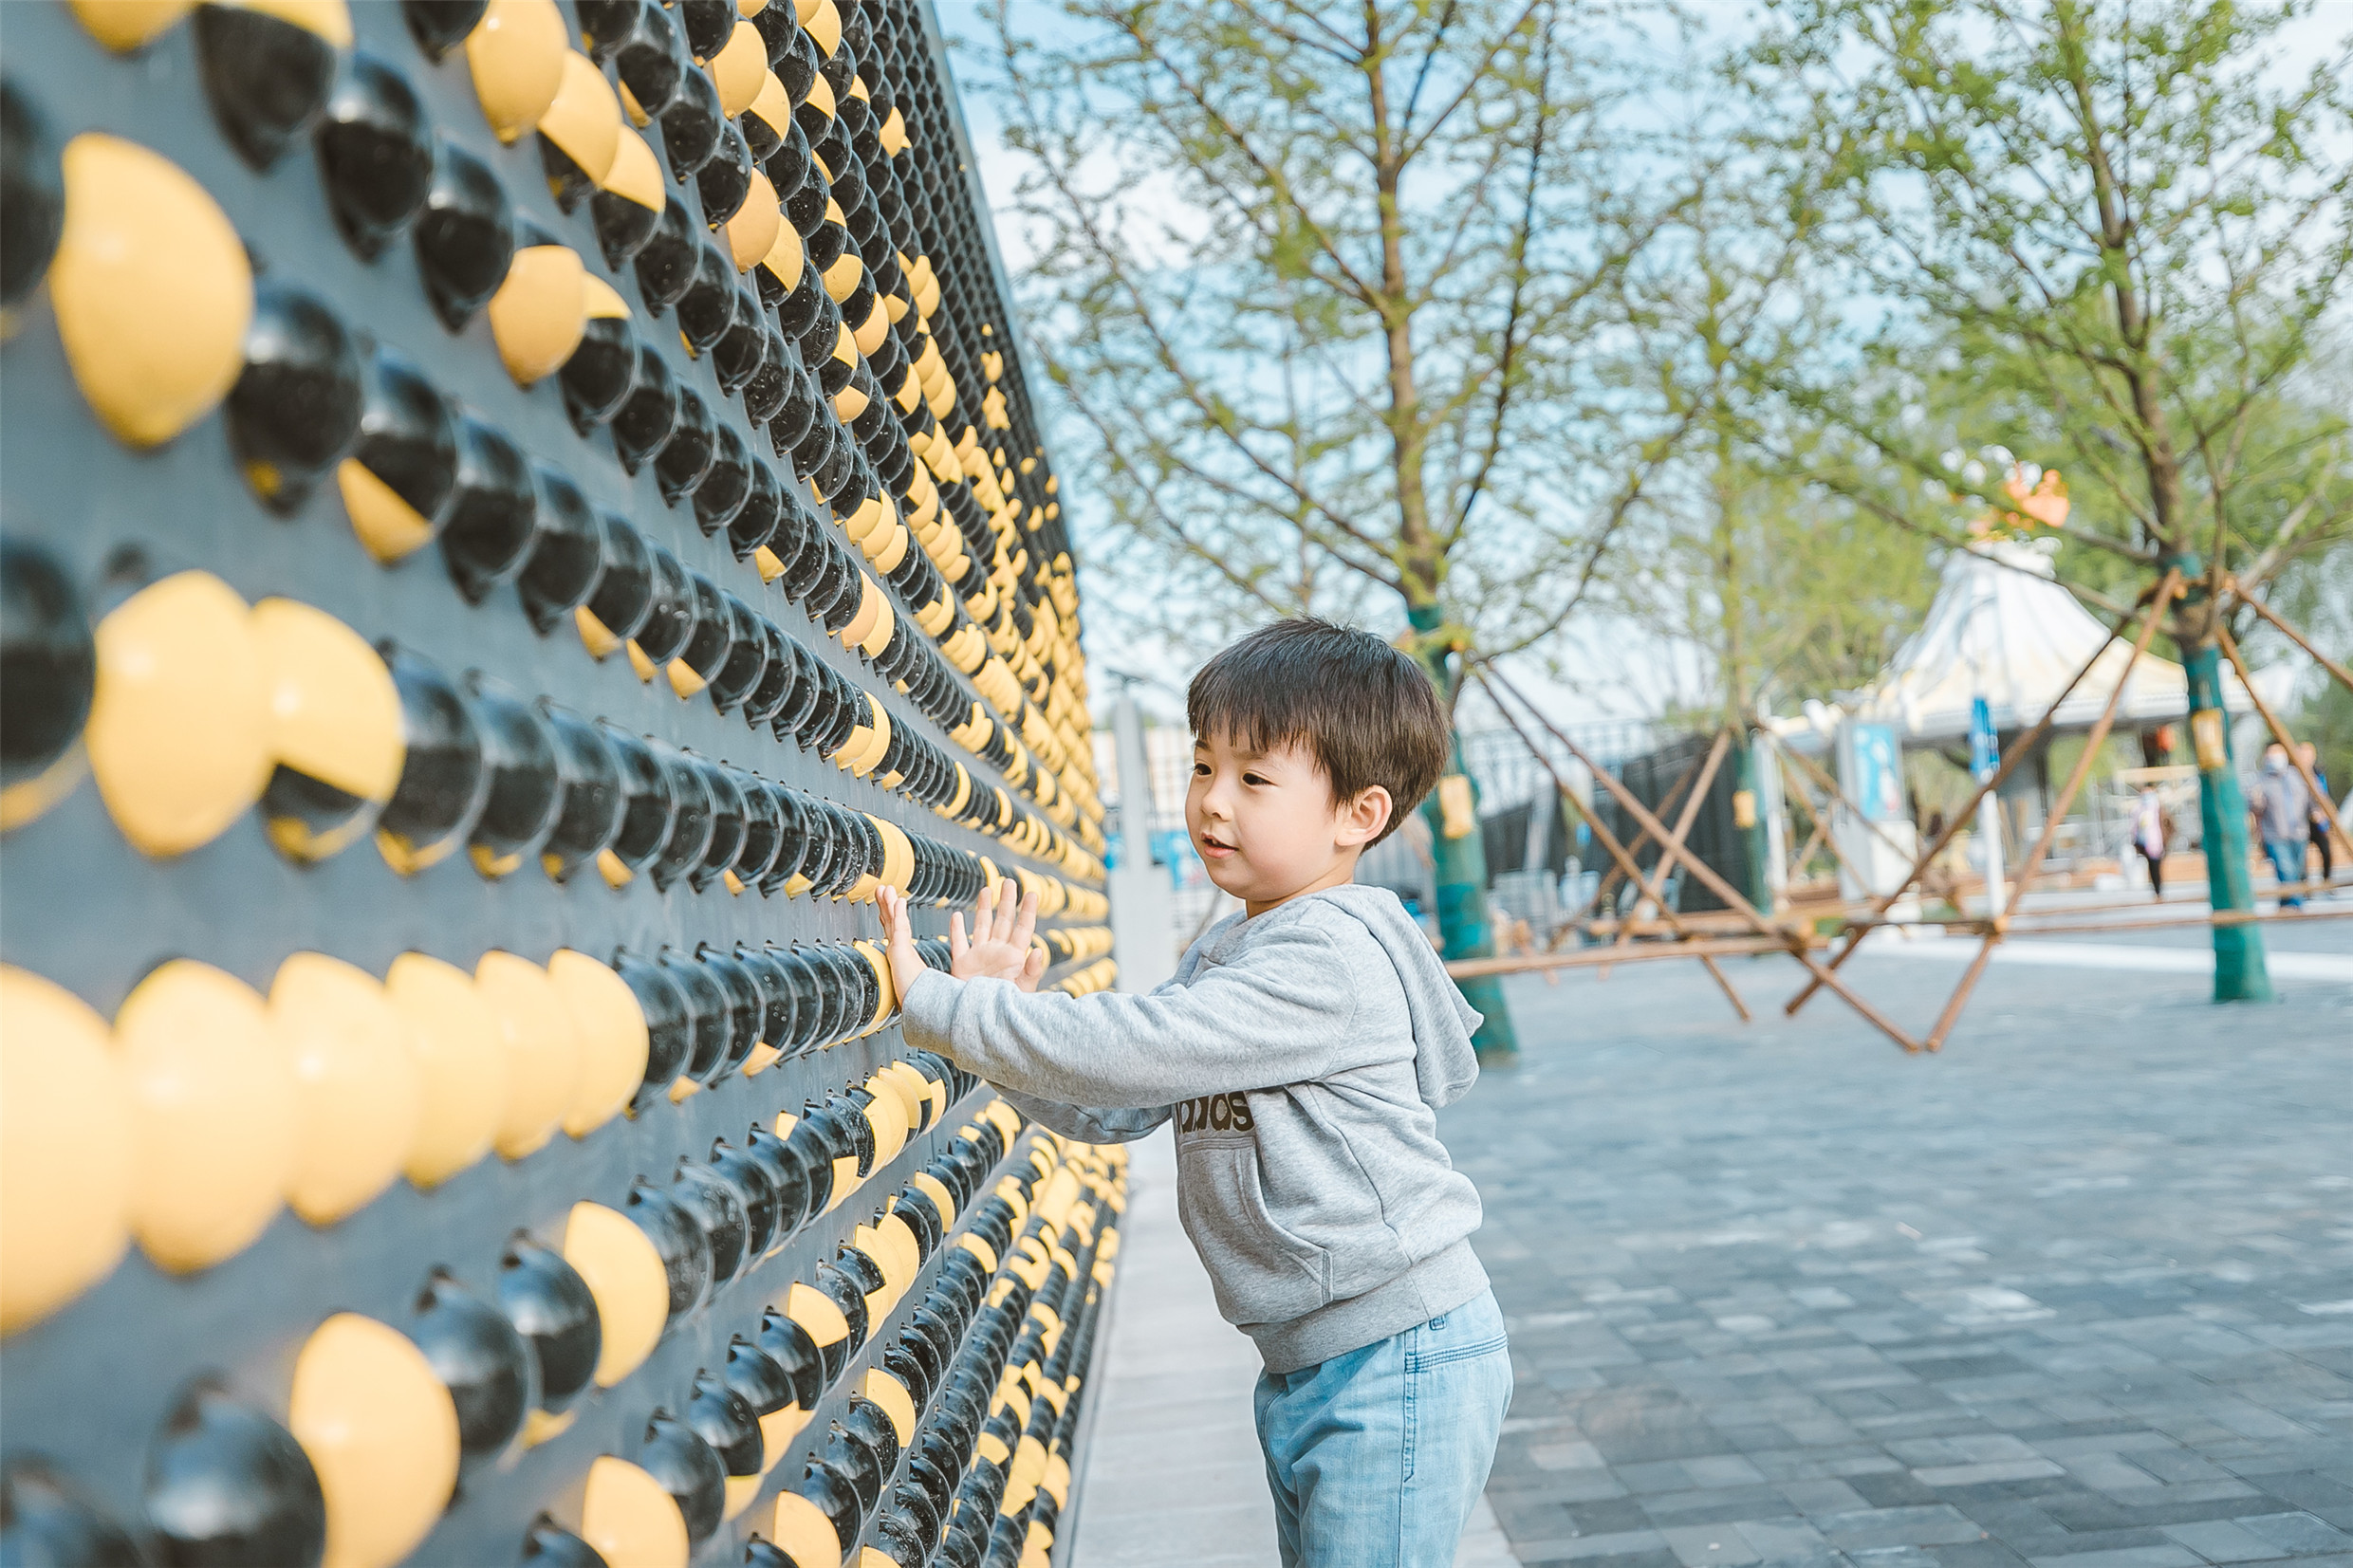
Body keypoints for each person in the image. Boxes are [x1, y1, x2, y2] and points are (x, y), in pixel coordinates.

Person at [875, 618, 1510, 1568]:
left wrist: (946, 1009)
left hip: (1395, 1353)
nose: (1212, 802)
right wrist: (1002, 1027)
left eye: (1254, 779)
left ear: (1358, 815)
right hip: (1310, 1360)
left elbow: (1138, 1047)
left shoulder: (1324, 953)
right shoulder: (1234, 945)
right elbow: (1118, 1103)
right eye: (1202, 767)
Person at [2251, 742, 2312, 910]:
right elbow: (2255, 808)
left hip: (2299, 832)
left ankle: (2285, 902)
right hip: (2275, 834)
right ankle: (2296, 906)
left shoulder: (2298, 776)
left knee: (2297, 871)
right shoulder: (2261, 781)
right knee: (2286, 870)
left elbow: (2311, 799)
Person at [2300, 741, 2334, 890]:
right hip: (2300, 820)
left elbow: (2325, 795)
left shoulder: (2318, 773)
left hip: (2318, 820)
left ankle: (2327, 881)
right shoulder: (2292, 773)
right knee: (2301, 856)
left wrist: (2324, 815)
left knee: (2326, 850)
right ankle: (2304, 887)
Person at [2131, 784, 2168, 900]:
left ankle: (2159, 890)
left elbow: (2169, 825)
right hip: (2144, 843)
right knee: (2152, 867)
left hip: (2158, 842)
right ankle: (2156, 890)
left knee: (2157, 866)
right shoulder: (2138, 810)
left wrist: (2165, 838)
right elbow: (2134, 827)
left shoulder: (2159, 809)